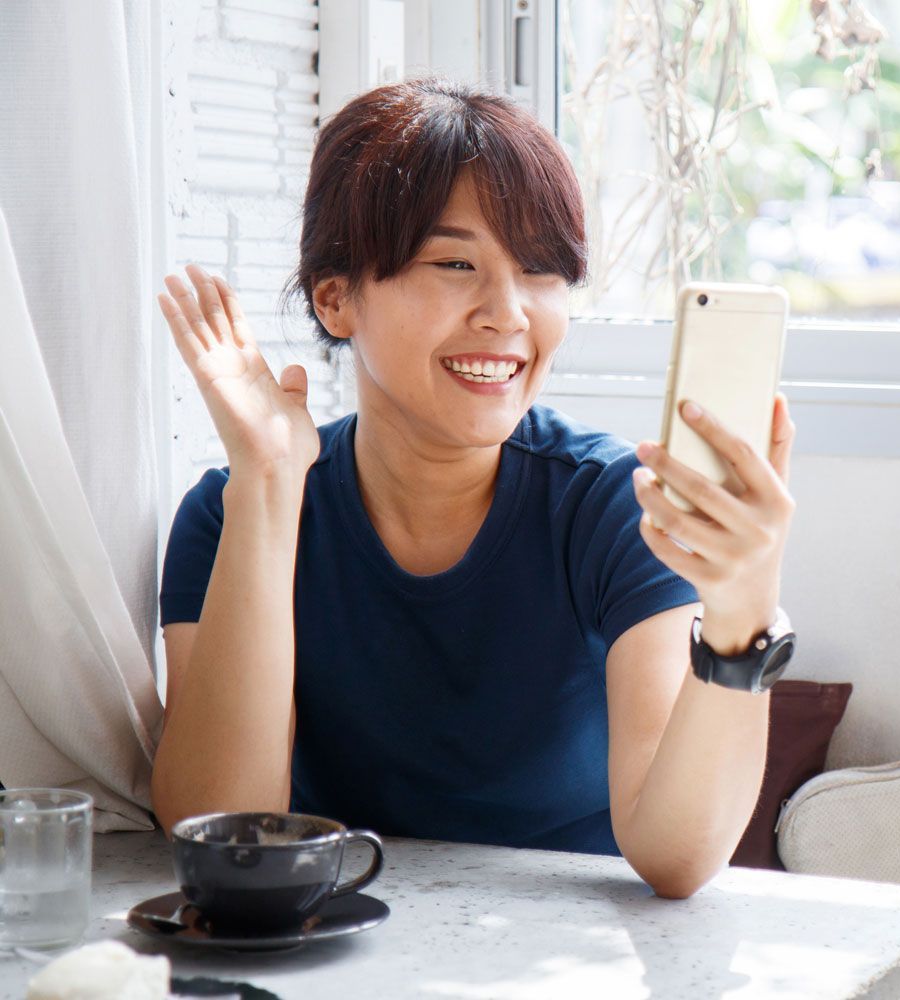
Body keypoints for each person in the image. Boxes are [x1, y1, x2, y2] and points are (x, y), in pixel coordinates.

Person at [149, 77, 797, 899]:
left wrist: (743, 612)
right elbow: (215, 829)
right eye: (456, 263)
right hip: (333, 952)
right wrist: (270, 490)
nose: (509, 313)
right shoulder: (229, 510)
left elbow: (677, 858)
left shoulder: (607, 508)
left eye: (540, 272)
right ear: (336, 297)